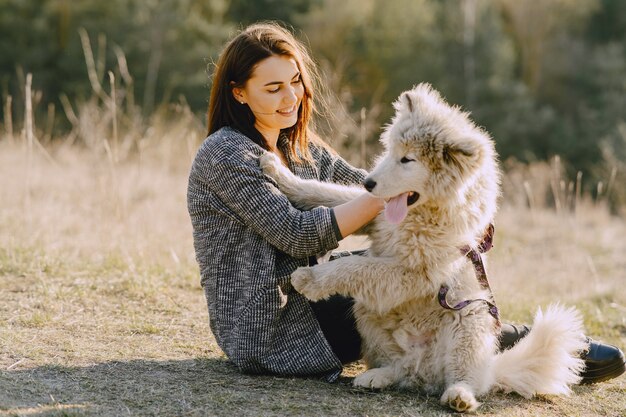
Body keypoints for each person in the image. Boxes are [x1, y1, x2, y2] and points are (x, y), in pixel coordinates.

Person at [187, 22, 625, 384]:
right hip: (272, 325)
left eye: (296, 81)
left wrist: (449, 204)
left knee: (421, 271)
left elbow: (366, 184)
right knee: (413, 282)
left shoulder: (300, 148)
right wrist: (400, 194)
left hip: (306, 297)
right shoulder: (225, 155)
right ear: (239, 93)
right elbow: (299, 233)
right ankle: (527, 346)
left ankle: (515, 343)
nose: (291, 97)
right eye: (274, 88)